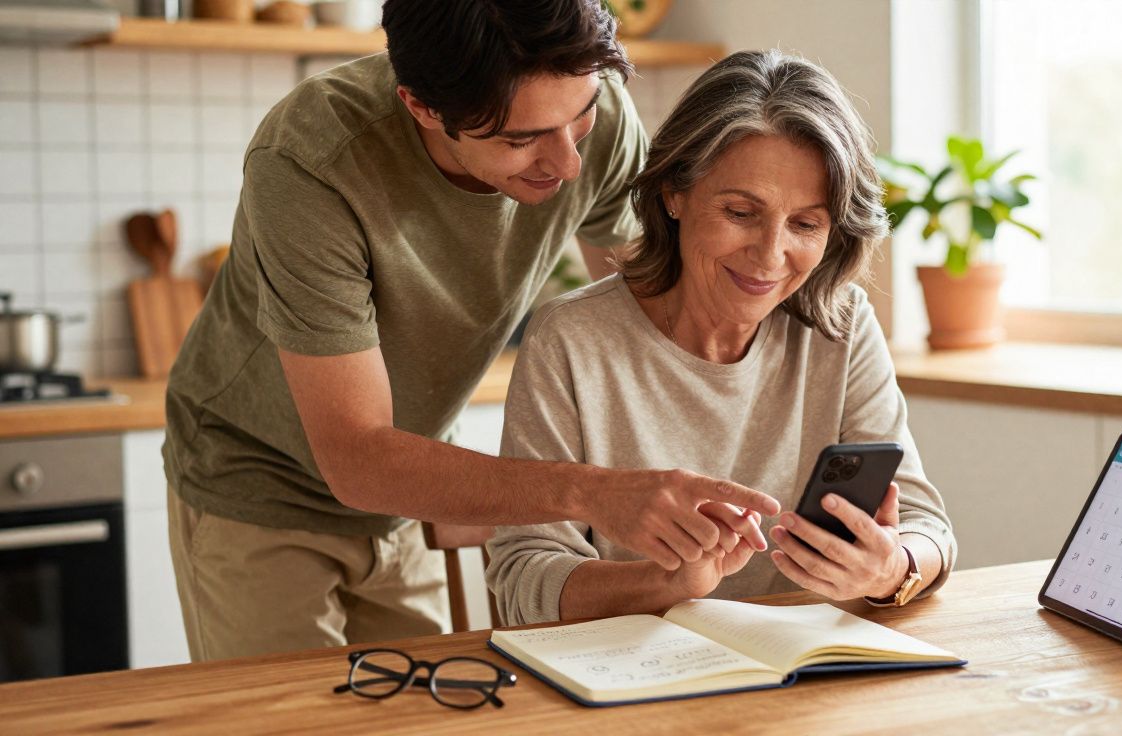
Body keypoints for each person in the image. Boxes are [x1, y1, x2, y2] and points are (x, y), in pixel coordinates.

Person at [163, 0, 779, 662]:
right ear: (422, 107)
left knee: (430, 714)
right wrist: (596, 492)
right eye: (521, 140)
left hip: (404, 487)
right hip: (260, 480)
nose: (567, 163)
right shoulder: (312, 159)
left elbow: (654, 324)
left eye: (581, 119)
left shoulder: (590, 119)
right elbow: (356, 455)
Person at [487, 50, 957, 626]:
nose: (769, 255)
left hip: (804, 687)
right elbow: (523, 580)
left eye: (806, 224)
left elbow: (926, 527)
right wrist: (669, 584)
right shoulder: (573, 339)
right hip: (630, 691)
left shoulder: (841, 324)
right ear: (674, 194)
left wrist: (891, 570)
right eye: (740, 212)